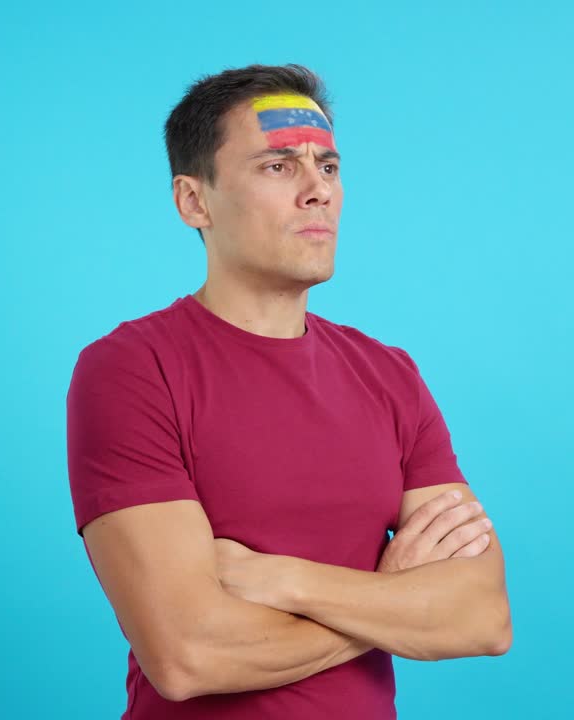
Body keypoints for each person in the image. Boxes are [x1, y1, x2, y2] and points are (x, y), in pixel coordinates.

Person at [65, 63, 511, 719]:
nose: (317, 192)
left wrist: (288, 580)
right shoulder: (133, 370)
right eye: (278, 167)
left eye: (327, 167)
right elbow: (189, 656)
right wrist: (390, 600)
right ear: (194, 201)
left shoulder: (388, 374)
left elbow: (481, 615)